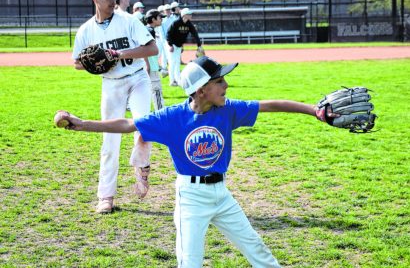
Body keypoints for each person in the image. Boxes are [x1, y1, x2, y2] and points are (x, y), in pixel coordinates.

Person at [57, 56, 336, 267]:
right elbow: (128, 123)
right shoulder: (172, 118)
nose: (226, 85)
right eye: (218, 81)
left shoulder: (227, 110)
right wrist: (83, 124)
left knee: (258, 250)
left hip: (222, 195)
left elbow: (271, 104)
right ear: (201, 90)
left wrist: (313, 111)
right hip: (190, 197)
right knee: (190, 262)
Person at [72, 0, 158, 214]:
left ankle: (141, 166)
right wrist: (95, 64)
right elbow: (78, 63)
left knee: (144, 126)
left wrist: (118, 54)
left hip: (137, 78)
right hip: (111, 85)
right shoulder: (86, 30)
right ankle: (105, 196)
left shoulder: (128, 21)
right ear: (95, 0)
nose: (112, 1)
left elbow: (152, 49)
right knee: (109, 141)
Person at [166, 7, 202, 87]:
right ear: (184, 15)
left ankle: (178, 80)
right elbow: (168, 34)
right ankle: (172, 81)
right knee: (172, 63)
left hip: (178, 45)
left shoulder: (189, 24)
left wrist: (199, 45)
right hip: (171, 44)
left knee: (177, 62)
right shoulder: (176, 23)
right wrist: (170, 45)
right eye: (189, 14)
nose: (191, 15)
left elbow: (195, 34)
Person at [144, 9, 166, 110]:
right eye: (160, 17)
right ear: (153, 19)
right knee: (156, 91)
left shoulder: (148, 30)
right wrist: (148, 65)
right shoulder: (150, 31)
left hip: (152, 65)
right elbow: (145, 49)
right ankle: (161, 114)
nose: (161, 19)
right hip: (151, 67)